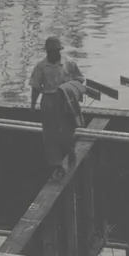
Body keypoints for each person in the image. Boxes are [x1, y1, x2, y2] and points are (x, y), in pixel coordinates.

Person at [29, 36, 86, 178]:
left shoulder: (69, 63)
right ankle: (57, 165)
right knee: (50, 135)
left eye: (56, 51)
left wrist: (71, 90)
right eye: (51, 51)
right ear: (47, 52)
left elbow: (79, 79)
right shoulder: (41, 66)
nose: (53, 54)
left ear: (59, 51)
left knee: (67, 130)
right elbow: (35, 87)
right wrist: (32, 105)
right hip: (48, 100)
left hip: (65, 99)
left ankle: (71, 150)